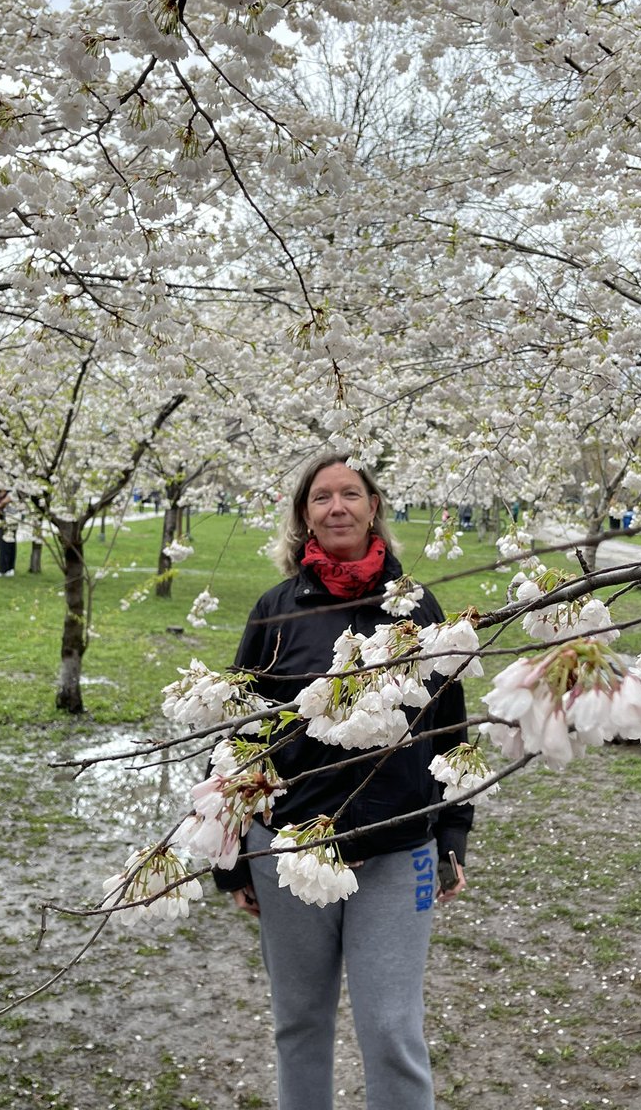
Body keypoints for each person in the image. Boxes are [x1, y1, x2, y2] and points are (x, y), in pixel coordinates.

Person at [213, 454, 473, 1110]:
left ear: (373, 505)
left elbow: (448, 726)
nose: (337, 507)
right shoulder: (276, 610)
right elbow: (241, 734)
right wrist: (232, 856)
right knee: (299, 1023)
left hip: (396, 847)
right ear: (304, 515)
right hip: (289, 852)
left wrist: (453, 835)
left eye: (350, 494)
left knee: (391, 1028)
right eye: (322, 497)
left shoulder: (412, 607)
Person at [0, 484, 16, 577]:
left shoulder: (11, 493)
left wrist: (0, 505)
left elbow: (6, 503)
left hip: (9, 519)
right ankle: (7, 567)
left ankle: (4, 569)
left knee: (8, 544)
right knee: (1, 544)